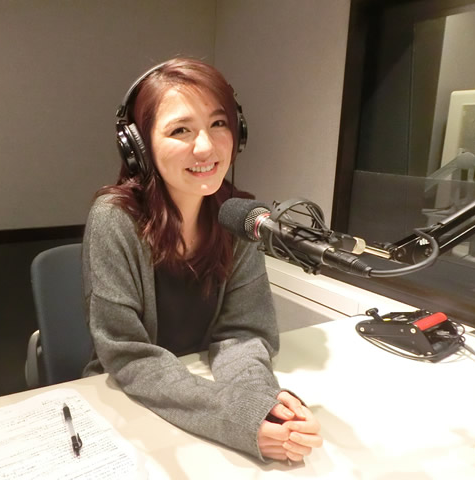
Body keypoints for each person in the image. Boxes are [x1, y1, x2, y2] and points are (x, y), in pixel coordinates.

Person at [81, 57, 322, 463]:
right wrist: (237, 418)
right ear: (139, 147)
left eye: (218, 123)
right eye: (181, 130)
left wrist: (262, 405)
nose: (206, 147)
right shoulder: (114, 219)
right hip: (129, 405)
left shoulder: (239, 216)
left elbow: (243, 332)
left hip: (205, 387)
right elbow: (128, 355)